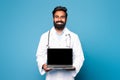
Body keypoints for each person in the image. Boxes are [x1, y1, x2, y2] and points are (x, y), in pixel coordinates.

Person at [36, 6, 85, 80]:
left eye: (62, 17)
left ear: (66, 19)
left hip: (68, 77)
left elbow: (80, 57)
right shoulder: (45, 36)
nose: (59, 19)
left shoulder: (74, 37)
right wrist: (43, 65)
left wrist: (74, 66)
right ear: (53, 18)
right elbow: (39, 55)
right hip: (51, 77)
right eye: (57, 17)